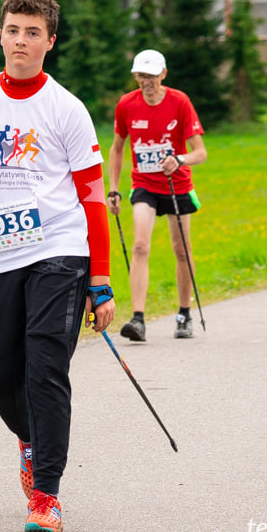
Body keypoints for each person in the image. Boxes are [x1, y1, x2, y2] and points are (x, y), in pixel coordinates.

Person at [0, 0, 115, 532]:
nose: (21, 40)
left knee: (44, 366)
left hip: (60, 252)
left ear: (50, 42)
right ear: (1, 34)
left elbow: (92, 200)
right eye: (13, 29)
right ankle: (32, 438)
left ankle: (46, 495)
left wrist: (102, 280)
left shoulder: (66, 109)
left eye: (33, 32)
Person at [107, 49, 207, 341]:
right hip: (144, 185)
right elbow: (117, 148)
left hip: (177, 184)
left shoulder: (180, 102)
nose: (145, 82)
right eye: (140, 75)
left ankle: (184, 313)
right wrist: (113, 188)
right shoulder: (127, 104)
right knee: (140, 246)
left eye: (150, 76)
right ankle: (138, 319)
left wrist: (179, 159)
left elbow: (201, 152)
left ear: (163, 74)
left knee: (181, 250)